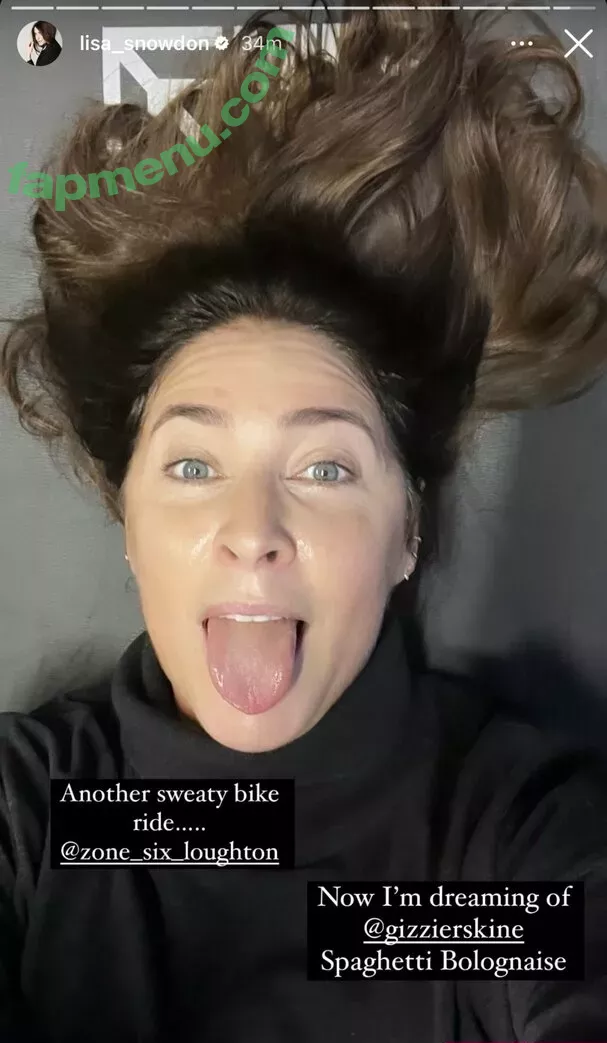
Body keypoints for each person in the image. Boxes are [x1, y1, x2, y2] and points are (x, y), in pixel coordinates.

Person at [2, 4, 607, 1042]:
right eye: (193, 465)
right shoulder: (34, 809)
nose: (253, 528)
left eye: (325, 467)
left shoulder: (510, 833)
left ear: (406, 534)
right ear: (127, 519)